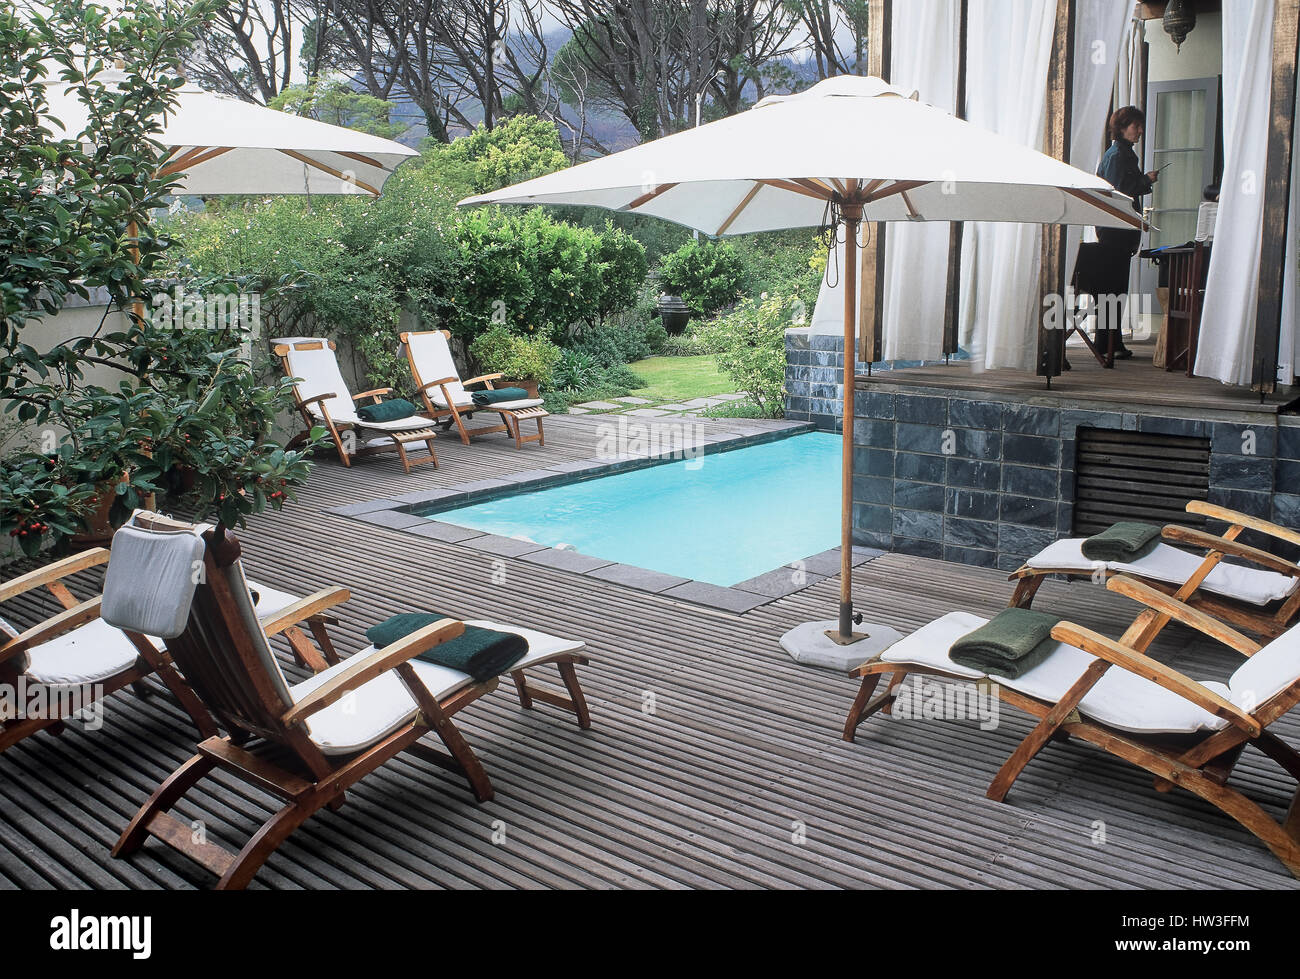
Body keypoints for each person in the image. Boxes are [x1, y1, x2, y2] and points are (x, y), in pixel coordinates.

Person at [1094, 105, 1158, 360]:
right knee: (1112, 289)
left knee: (1114, 290)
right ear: (1122, 128)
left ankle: (1110, 342)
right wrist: (1146, 181)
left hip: (1116, 231)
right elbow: (1119, 192)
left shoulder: (1120, 154)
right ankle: (1108, 344)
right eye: (1135, 126)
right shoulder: (1119, 155)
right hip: (1115, 232)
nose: (1140, 130)